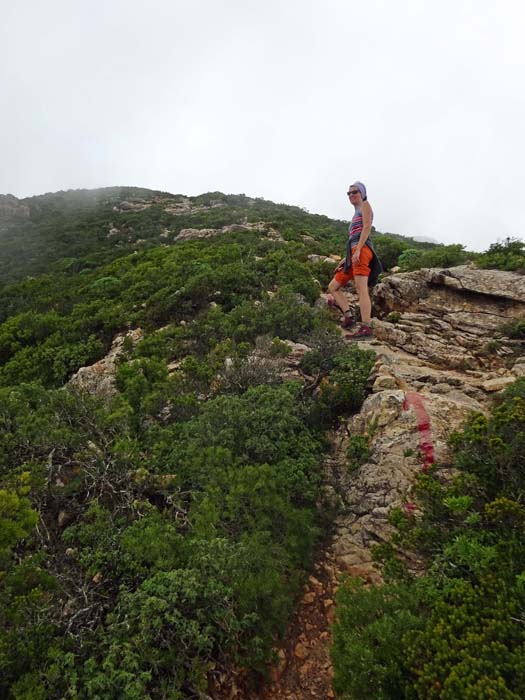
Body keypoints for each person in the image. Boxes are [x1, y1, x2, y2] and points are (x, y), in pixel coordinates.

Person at [327, 181, 377, 340]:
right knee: (333, 286)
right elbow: (354, 238)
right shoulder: (356, 212)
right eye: (348, 193)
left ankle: (366, 327)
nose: (351, 195)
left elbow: (367, 227)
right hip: (353, 253)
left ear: (362, 193)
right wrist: (345, 258)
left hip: (361, 252)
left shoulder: (365, 205)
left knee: (361, 288)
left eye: (354, 192)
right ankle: (348, 317)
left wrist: (359, 249)